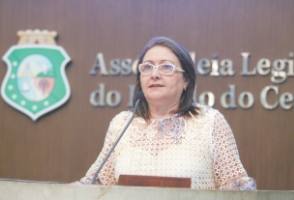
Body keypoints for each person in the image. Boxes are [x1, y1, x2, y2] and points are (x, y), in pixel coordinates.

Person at [79, 36, 256, 190]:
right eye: (147, 67)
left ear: (186, 79)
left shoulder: (209, 121)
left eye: (166, 67)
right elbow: (96, 184)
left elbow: (236, 189)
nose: (154, 74)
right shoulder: (122, 123)